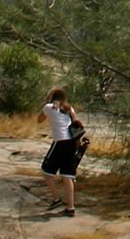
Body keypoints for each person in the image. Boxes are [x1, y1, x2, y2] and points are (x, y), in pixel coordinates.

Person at [38, 87, 81, 216]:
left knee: (46, 170)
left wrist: (48, 103)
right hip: (71, 143)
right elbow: (76, 123)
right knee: (67, 175)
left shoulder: (49, 107)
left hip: (60, 142)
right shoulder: (70, 109)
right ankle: (70, 207)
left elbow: (39, 120)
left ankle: (56, 198)